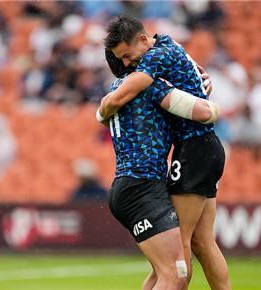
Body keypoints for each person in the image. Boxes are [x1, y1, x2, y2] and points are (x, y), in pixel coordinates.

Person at [98, 15, 230, 290]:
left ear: (144, 41)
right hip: (204, 149)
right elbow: (196, 79)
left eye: (128, 56)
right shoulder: (172, 49)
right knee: (201, 244)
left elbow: (124, 94)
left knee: (178, 259)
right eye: (122, 60)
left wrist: (102, 109)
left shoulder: (154, 63)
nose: (128, 63)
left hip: (194, 149)